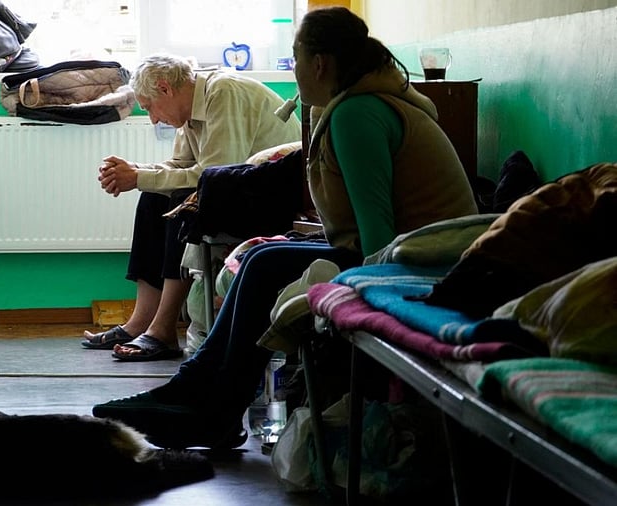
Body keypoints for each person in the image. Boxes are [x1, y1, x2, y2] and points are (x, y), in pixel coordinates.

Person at [92, 6, 479, 449]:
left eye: (294, 61)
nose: (292, 72)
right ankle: (196, 391)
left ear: (319, 64)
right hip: (408, 251)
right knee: (261, 256)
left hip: (423, 263)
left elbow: (377, 242)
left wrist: (359, 299)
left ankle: (213, 406)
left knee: (264, 263)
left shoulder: (358, 114)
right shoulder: (356, 106)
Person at [82, 53, 302, 361]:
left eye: (149, 107)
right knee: (153, 197)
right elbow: (181, 165)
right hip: (238, 190)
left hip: (274, 198)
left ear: (165, 89)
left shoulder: (223, 92)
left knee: (182, 198)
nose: (153, 119)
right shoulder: (189, 109)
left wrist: (139, 176)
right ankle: (141, 322)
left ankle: (163, 330)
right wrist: (135, 172)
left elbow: (215, 176)